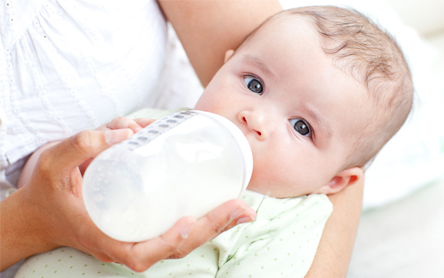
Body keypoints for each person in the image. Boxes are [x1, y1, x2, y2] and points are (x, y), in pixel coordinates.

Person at [12, 5, 412, 277]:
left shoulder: (283, 221)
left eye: (302, 127)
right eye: (254, 84)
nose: (255, 118)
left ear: (336, 182)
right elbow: (41, 182)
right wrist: (75, 165)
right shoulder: (152, 127)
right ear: (225, 64)